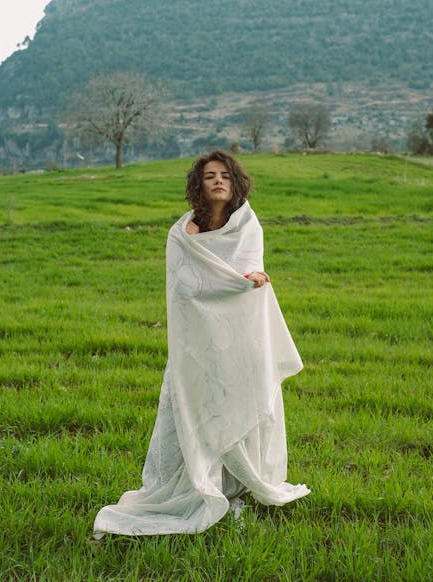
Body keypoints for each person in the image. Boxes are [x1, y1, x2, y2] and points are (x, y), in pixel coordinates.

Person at [93, 150, 309, 536]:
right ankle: (199, 486)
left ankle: (238, 488)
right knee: (196, 408)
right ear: (199, 184)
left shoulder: (247, 225)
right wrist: (232, 278)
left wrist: (251, 279)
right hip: (197, 344)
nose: (218, 181)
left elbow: (246, 272)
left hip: (241, 339)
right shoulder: (182, 234)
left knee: (239, 406)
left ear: (235, 181)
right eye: (210, 175)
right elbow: (184, 288)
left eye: (225, 174)